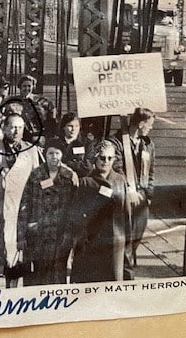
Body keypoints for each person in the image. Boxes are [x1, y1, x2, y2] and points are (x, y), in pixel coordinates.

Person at [0, 114, 41, 289]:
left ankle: (11, 293)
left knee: (14, 259)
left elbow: (37, 182)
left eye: (20, 127)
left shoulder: (31, 151)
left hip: (20, 212)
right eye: (12, 126)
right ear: (4, 128)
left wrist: (34, 212)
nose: (16, 131)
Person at [17, 138, 78, 285]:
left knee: (57, 275)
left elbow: (74, 207)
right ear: (45, 155)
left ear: (62, 155)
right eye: (50, 153)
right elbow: (25, 205)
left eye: (57, 153)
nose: (54, 157)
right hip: (37, 234)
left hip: (60, 235)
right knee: (37, 276)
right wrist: (21, 235)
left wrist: (71, 235)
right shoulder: (35, 175)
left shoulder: (69, 176)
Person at [70, 139, 131, 283]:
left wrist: (127, 242)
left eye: (110, 158)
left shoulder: (120, 181)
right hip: (92, 244)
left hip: (115, 243)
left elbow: (126, 214)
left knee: (113, 284)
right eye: (102, 158)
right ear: (95, 159)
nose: (106, 162)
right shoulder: (86, 182)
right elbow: (77, 217)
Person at [113, 107, 156, 270]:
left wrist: (148, 194)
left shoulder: (148, 144)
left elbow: (151, 171)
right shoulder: (117, 142)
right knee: (126, 235)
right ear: (140, 124)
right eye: (149, 124)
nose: (151, 128)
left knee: (137, 233)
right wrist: (129, 190)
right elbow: (117, 169)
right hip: (125, 195)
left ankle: (128, 264)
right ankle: (126, 271)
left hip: (142, 195)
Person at [57, 112, 92, 177]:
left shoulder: (87, 143)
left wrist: (67, 164)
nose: (73, 129)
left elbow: (88, 167)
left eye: (76, 126)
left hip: (79, 179)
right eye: (70, 126)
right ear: (63, 127)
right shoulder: (55, 142)